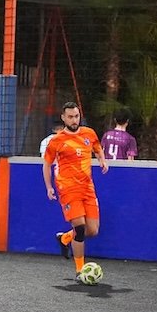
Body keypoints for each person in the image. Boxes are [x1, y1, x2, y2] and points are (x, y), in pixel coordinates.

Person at [43, 101, 109, 283]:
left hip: (87, 188)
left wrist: (102, 160)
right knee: (79, 227)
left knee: (92, 230)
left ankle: (65, 238)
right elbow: (47, 164)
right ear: (63, 118)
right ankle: (80, 271)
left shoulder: (89, 133)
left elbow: (97, 149)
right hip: (68, 188)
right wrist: (49, 187)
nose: (74, 120)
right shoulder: (56, 141)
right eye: (70, 117)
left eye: (76, 116)